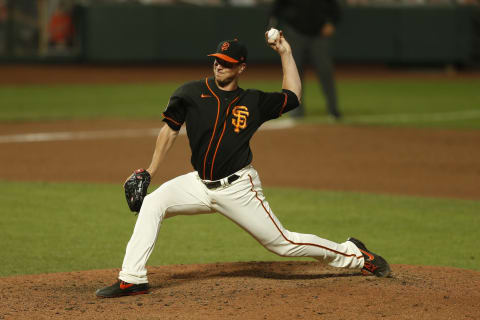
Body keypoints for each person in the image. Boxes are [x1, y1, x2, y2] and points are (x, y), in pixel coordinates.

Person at [95, 33, 390, 298]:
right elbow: (170, 129)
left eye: (227, 63)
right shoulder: (189, 93)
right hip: (198, 184)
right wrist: (150, 170)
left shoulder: (253, 101)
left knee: (282, 243)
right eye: (217, 61)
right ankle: (132, 278)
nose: (219, 66)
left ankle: (355, 254)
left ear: (241, 68)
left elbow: (293, 97)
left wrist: (285, 53)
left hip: (238, 188)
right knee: (153, 203)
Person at [269, 0, 342, 120]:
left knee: (325, 71)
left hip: (319, 34)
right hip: (295, 32)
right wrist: (272, 27)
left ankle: (333, 109)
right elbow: (276, 8)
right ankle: (296, 111)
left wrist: (331, 22)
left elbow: (335, 9)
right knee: (294, 72)